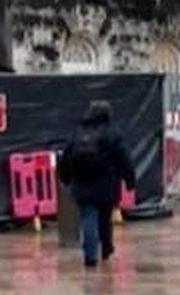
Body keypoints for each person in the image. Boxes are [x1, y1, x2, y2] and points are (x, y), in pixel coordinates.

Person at [59, 101, 136, 268]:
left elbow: (66, 157)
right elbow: (124, 159)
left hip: (82, 184)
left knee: (88, 217)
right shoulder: (113, 133)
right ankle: (106, 248)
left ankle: (90, 255)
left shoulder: (79, 132)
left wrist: (65, 177)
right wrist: (130, 181)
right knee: (104, 217)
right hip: (107, 184)